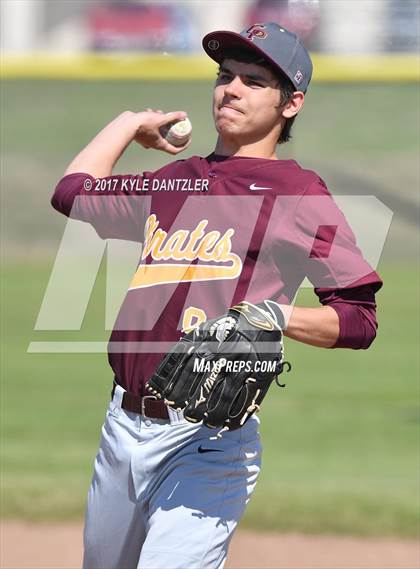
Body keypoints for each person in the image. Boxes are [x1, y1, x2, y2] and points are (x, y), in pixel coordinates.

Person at [51, 22, 382, 569]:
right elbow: (72, 193)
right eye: (225, 75)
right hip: (121, 429)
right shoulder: (175, 180)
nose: (231, 89)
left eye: (254, 81)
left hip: (205, 443)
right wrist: (129, 123)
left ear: (291, 104)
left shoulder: (298, 194)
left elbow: (357, 319)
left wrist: (276, 315)